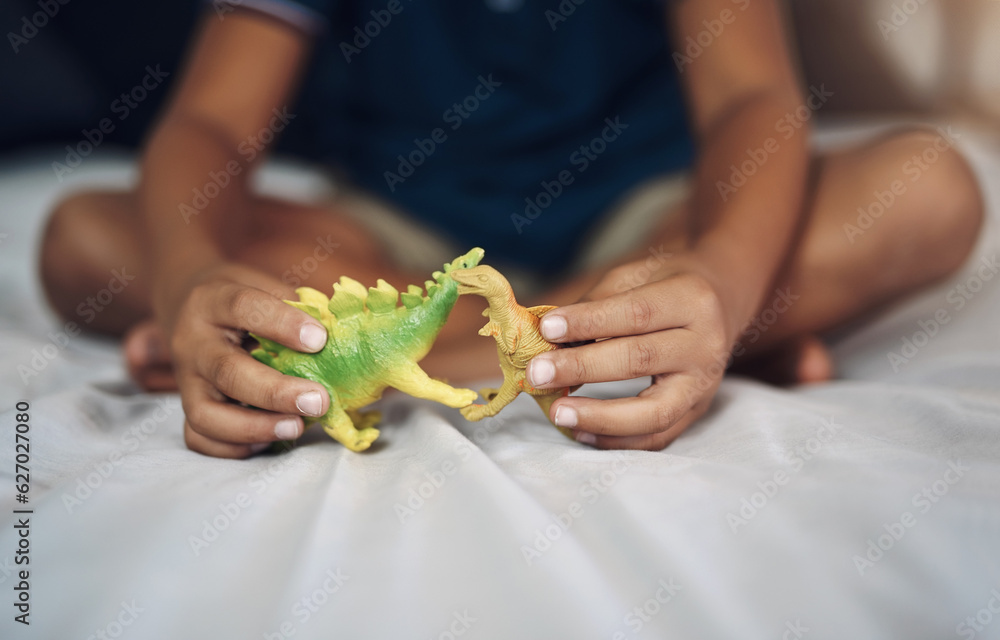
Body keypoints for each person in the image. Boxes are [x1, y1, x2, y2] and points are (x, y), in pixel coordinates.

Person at [39, 0, 983, 458]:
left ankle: (646, 331)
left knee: (930, 187)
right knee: (84, 238)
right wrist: (188, 279)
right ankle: (618, 349)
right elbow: (211, 126)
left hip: (649, 223)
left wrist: (722, 284)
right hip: (393, 237)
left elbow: (751, 96)